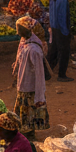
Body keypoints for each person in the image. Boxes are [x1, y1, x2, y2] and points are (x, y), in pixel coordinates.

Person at [12, 15, 49, 144]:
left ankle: (28, 135)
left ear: (29, 30)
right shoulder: (24, 43)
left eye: (19, 29)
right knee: (25, 112)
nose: (17, 32)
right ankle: (27, 133)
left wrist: (40, 95)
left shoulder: (33, 50)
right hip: (23, 84)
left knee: (28, 112)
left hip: (30, 86)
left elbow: (39, 75)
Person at [47, 0, 72, 81]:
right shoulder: (62, 0)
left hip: (53, 27)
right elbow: (62, 17)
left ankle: (46, 72)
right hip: (61, 29)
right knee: (64, 52)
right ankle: (61, 75)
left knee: (53, 51)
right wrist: (66, 32)